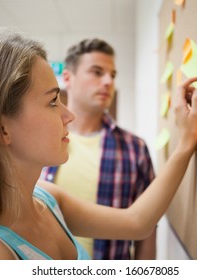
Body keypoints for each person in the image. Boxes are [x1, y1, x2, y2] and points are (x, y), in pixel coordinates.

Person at [0, 26, 197, 260]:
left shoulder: (47, 199)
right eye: (52, 101)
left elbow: (138, 222)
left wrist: (186, 142)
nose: (68, 115)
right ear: (0, 127)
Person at [41, 38, 156, 260]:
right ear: (68, 78)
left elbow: (147, 228)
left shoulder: (135, 149)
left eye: (112, 75)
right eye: (96, 72)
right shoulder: (39, 143)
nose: (107, 81)